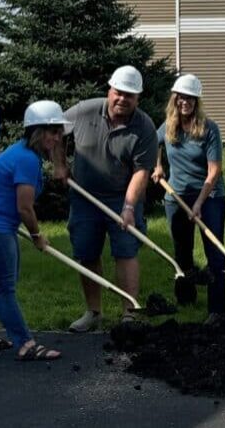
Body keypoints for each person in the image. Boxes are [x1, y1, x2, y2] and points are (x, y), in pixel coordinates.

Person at [0, 100, 70, 360]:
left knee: (2, 284)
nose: (57, 138)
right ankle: (25, 344)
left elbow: (19, 204)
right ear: (37, 131)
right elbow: (24, 208)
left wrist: (59, 165)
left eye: (59, 133)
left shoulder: (24, 152)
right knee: (5, 287)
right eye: (52, 132)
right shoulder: (26, 160)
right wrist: (36, 236)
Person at [64, 65, 157, 332]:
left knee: (126, 252)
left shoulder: (144, 126)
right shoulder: (85, 111)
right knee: (86, 253)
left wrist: (129, 207)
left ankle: (129, 313)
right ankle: (93, 312)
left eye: (130, 95)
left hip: (121, 197)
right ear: (110, 90)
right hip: (84, 198)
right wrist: (60, 164)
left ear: (137, 98)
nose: (122, 99)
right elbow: (53, 130)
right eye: (118, 92)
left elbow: (141, 172)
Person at [152, 74, 225, 322]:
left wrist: (199, 203)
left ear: (197, 101)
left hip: (209, 195)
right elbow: (153, 142)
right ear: (175, 99)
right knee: (182, 252)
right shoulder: (169, 125)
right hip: (176, 195)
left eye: (190, 98)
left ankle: (216, 309)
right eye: (181, 97)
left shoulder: (209, 129)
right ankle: (186, 300)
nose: (185, 102)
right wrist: (158, 165)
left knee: (214, 251)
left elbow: (214, 170)